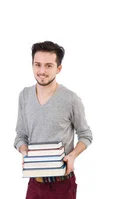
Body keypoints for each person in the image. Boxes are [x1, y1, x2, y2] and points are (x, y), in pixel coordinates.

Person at [14, 41, 93, 198]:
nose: (42, 71)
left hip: (62, 184)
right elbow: (20, 136)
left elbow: (86, 135)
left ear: (59, 68)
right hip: (34, 183)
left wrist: (73, 156)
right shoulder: (24, 96)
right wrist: (24, 153)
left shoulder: (71, 99)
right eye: (37, 65)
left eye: (48, 66)